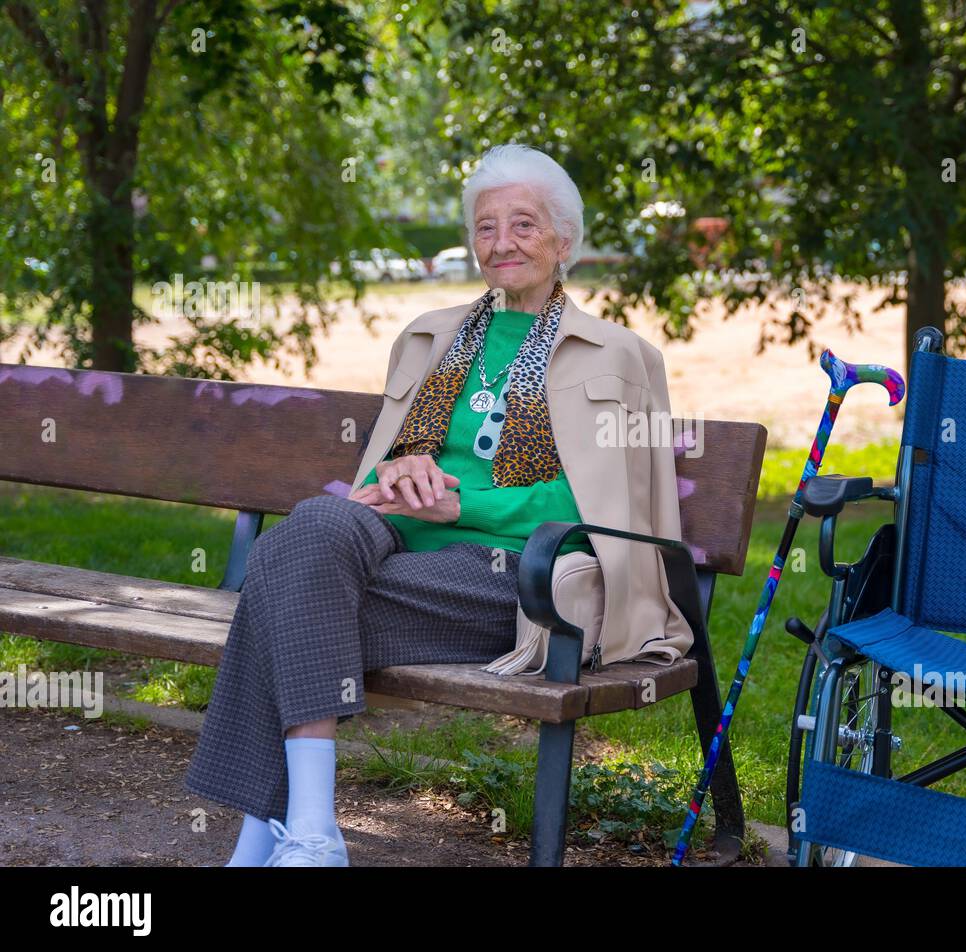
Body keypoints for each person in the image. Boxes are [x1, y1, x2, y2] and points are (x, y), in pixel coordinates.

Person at [183, 144, 691, 866]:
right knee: (314, 524)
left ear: (565, 241)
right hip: (391, 550)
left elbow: (596, 503)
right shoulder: (431, 336)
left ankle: (278, 838)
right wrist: (401, 472)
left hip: (514, 575)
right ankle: (312, 834)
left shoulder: (614, 356)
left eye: (524, 224)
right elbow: (388, 465)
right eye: (486, 227)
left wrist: (463, 505)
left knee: (278, 577)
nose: (502, 242)